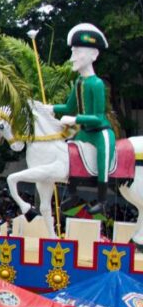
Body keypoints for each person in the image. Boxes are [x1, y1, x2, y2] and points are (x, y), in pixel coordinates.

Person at [48, 23, 114, 214]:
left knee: (103, 158)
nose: (73, 58)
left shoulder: (96, 83)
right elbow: (69, 107)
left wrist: (74, 120)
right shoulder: (79, 82)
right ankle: (73, 192)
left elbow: (98, 116)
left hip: (100, 132)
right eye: (73, 52)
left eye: (78, 53)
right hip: (84, 133)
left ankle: (102, 200)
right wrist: (49, 108)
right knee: (68, 152)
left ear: (94, 55)